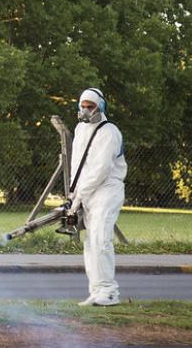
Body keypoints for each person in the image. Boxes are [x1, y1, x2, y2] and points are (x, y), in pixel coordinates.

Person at [67, 87, 127, 307]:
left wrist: (80, 195)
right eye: (82, 106)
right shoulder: (80, 130)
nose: (85, 111)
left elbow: (101, 170)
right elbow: (77, 165)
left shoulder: (109, 132)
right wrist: (73, 194)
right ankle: (96, 290)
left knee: (101, 239)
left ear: (100, 107)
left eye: (90, 107)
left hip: (107, 190)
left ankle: (110, 292)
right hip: (87, 192)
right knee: (91, 243)